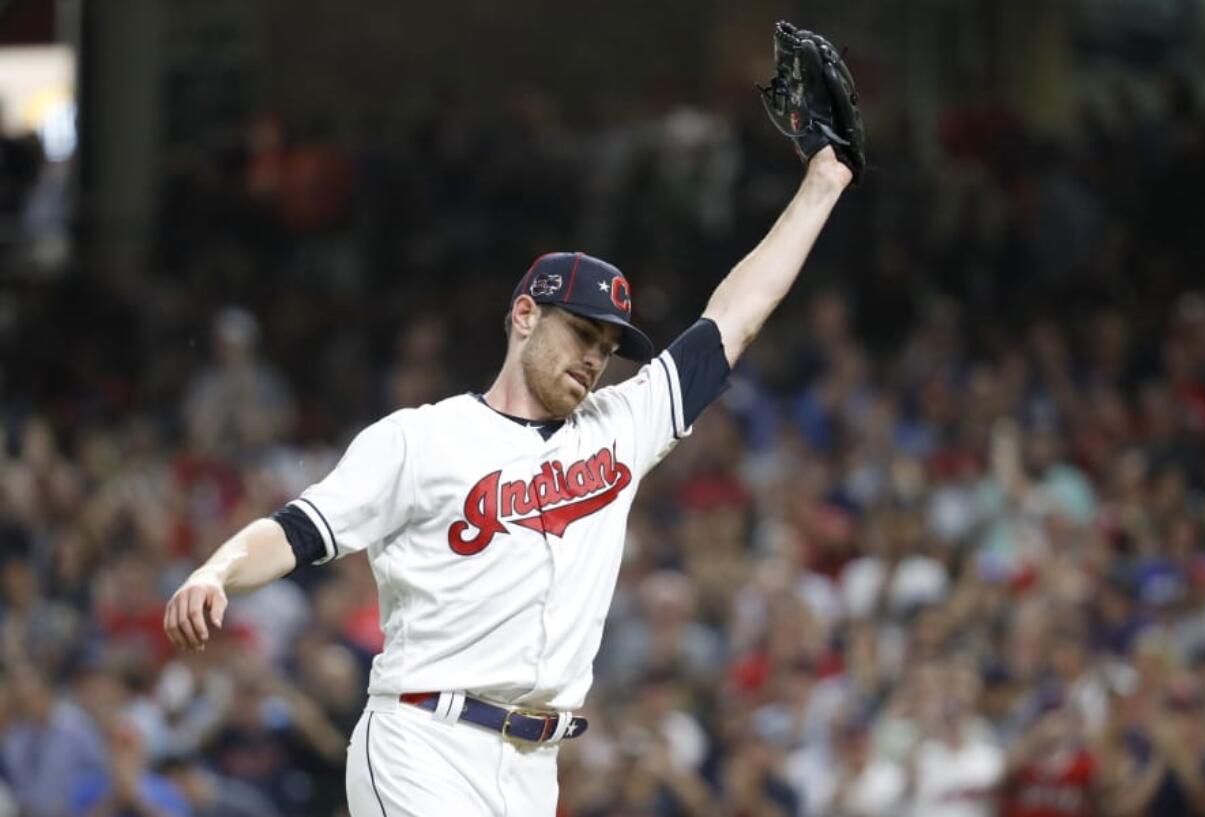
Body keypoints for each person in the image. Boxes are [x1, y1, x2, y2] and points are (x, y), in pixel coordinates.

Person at [164, 86, 857, 817]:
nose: (595, 358)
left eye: (609, 346)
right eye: (582, 334)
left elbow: (732, 320)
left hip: (533, 767)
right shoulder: (422, 438)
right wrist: (217, 570)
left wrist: (823, 181)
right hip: (422, 739)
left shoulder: (620, 425)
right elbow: (298, 528)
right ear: (525, 315)